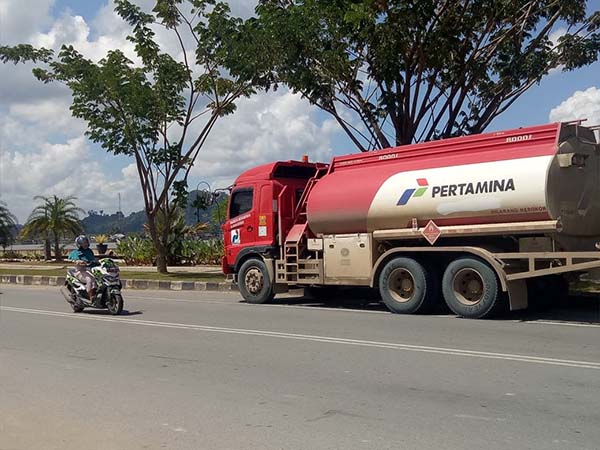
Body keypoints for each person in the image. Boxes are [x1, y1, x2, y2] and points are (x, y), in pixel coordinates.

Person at [68, 235, 98, 301]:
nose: (85, 244)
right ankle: (90, 296)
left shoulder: (89, 251)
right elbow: (74, 259)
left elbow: (93, 259)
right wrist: (78, 261)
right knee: (90, 280)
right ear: (79, 244)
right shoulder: (75, 252)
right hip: (80, 271)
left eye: (86, 242)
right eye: (83, 243)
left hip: (91, 271)